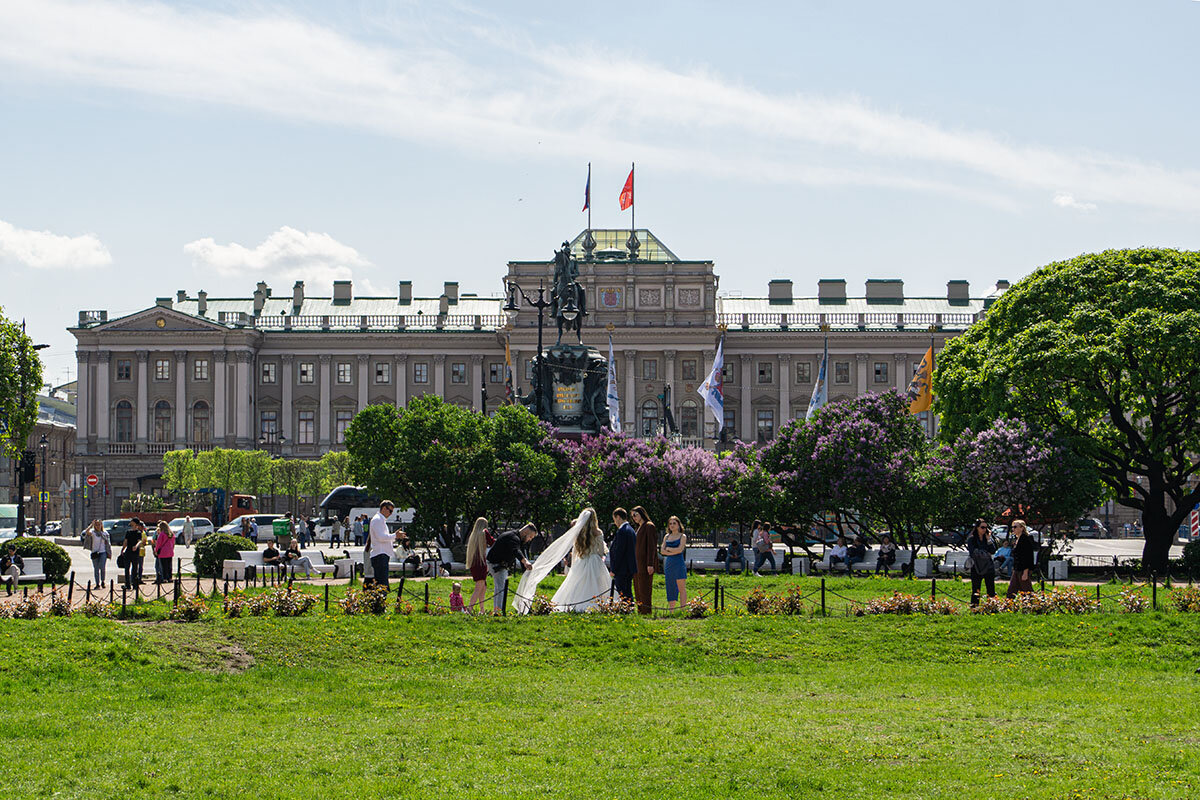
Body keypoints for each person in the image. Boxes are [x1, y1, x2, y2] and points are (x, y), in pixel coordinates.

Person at [516, 509, 609, 613]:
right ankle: (599, 604)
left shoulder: (578, 533)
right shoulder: (598, 532)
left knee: (577, 584)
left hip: (581, 561)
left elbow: (575, 551)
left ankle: (576, 604)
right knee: (596, 583)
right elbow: (601, 552)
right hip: (594, 561)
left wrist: (573, 565)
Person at [487, 523, 536, 613]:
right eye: (530, 537)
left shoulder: (518, 539)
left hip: (500, 565)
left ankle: (498, 610)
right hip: (496, 565)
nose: (530, 540)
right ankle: (498, 612)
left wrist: (525, 572)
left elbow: (520, 552)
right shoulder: (513, 538)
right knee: (501, 589)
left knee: (500, 588)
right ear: (526, 532)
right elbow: (516, 551)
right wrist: (525, 562)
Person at [631, 506, 658, 615]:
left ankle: (647, 612)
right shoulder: (639, 527)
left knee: (645, 588)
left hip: (645, 563)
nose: (634, 518)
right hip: (637, 563)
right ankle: (640, 610)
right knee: (638, 588)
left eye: (635, 515)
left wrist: (650, 564)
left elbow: (651, 547)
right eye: (632, 516)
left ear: (641, 513)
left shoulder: (649, 526)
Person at [966, 519, 997, 607]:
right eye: (982, 527)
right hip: (976, 567)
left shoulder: (987, 538)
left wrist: (988, 540)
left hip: (988, 567)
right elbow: (973, 552)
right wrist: (985, 552)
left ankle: (992, 606)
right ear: (977, 528)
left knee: (991, 588)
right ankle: (975, 607)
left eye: (986, 528)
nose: (984, 530)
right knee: (976, 588)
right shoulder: (972, 539)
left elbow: (993, 550)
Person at [608, 508, 638, 602]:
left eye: (614, 519)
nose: (615, 522)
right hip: (628, 567)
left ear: (618, 517)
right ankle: (628, 608)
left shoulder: (622, 531)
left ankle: (627, 609)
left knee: (623, 592)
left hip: (622, 569)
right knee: (627, 591)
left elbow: (619, 552)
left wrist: (614, 569)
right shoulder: (630, 530)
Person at [661, 515, 688, 610]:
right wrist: (672, 551)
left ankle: (683, 609)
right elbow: (662, 551)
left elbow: (680, 550)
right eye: (670, 523)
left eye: (674, 523)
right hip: (669, 564)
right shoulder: (666, 536)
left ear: (678, 525)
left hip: (679, 563)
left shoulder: (682, 536)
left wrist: (669, 550)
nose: (672, 525)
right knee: (670, 586)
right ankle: (671, 610)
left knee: (681, 588)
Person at [369, 501, 397, 590]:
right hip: (380, 555)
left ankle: (380, 601)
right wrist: (395, 535)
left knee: (382, 583)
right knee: (382, 584)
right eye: (390, 511)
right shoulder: (378, 520)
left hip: (382, 554)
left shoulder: (380, 520)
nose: (390, 514)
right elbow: (381, 537)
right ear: (384, 508)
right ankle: (380, 602)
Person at [465, 517, 490, 612]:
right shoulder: (484, 532)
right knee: (479, 587)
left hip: (474, 563)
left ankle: (482, 609)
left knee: (483, 586)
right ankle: (470, 609)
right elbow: (492, 542)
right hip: (481, 562)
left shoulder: (473, 535)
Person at [1006, 519, 1035, 597]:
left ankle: (1036, 606)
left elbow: (1027, 556)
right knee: (1012, 590)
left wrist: (1025, 572)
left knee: (1027, 591)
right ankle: (1008, 606)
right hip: (1017, 568)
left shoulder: (1025, 539)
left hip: (1023, 569)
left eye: (1015, 527)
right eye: (1012, 527)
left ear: (1022, 528)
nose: (1013, 529)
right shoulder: (1017, 539)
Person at [88, 519, 111, 587]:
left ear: (101, 525)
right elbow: (87, 532)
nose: (98, 526)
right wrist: (91, 525)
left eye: (99, 525)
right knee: (96, 568)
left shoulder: (105, 533)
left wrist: (109, 552)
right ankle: (97, 583)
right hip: (95, 552)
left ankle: (103, 581)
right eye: (96, 525)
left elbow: (108, 544)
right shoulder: (93, 533)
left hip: (103, 552)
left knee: (102, 567)